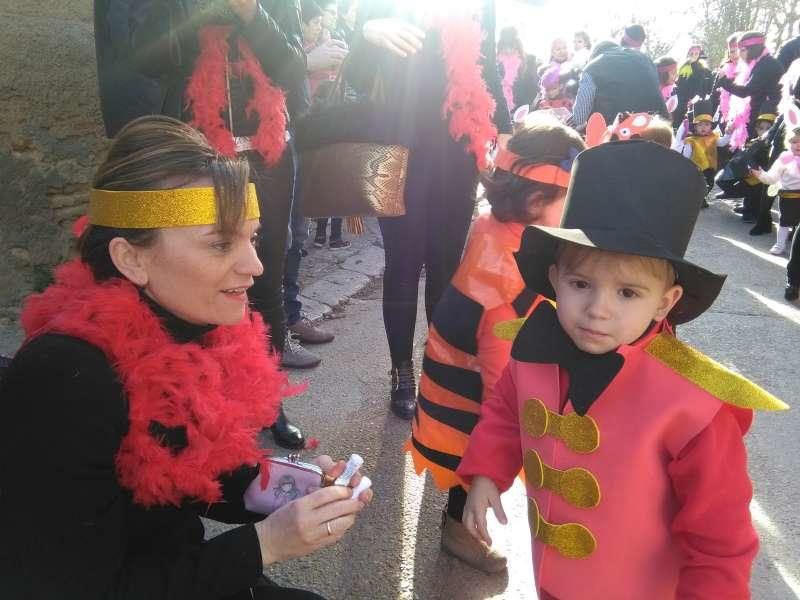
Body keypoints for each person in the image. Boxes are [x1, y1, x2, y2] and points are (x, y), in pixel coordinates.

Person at [0, 116, 373, 599]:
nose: (255, 266)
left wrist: (293, 487)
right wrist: (264, 546)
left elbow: (198, 471)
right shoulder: (66, 381)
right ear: (131, 258)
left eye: (252, 238)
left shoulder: (197, 329)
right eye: (220, 243)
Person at [457, 140, 788, 599]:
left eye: (628, 293)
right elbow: (505, 411)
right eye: (580, 284)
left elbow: (720, 542)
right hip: (551, 580)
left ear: (665, 303)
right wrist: (487, 474)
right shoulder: (535, 346)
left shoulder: (695, 407)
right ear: (554, 278)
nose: (598, 310)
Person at [407, 117, 585, 572]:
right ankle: (462, 533)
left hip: (458, 371)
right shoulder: (509, 281)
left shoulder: (497, 227)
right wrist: (517, 433)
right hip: (473, 398)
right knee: (471, 460)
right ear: (535, 200)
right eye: (572, 197)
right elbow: (502, 379)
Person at [131, 0, 309, 447]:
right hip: (198, 157)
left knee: (263, 278)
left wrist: (251, 11)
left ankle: (269, 402)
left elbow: (292, 69)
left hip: (267, 157)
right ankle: (200, 401)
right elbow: (148, 60)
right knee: (198, 279)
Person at [345, 0, 512, 418]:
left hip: (457, 156)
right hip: (396, 150)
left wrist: (506, 131)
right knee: (402, 265)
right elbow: (358, 78)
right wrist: (365, 36)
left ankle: (439, 367)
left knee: (445, 267)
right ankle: (402, 370)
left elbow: (484, 64)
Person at [570, 40, 668, 131]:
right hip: (658, 125)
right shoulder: (644, 58)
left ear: (592, 56)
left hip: (622, 130)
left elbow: (579, 117)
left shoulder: (591, 68)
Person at [718, 31, 785, 150]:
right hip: (759, 116)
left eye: (742, 50)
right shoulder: (759, 64)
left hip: (766, 120)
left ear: (753, 49)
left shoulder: (767, 65)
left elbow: (745, 91)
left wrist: (724, 81)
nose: (739, 54)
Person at [714, 104, 776, 228]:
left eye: (768, 128)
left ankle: (752, 213)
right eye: (761, 128)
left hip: (761, 179)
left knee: (756, 197)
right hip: (748, 176)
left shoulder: (773, 146)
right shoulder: (754, 142)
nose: (764, 131)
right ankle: (747, 207)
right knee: (745, 192)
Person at [752, 122, 800, 255]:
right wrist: (760, 174)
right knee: (784, 222)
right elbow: (772, 178)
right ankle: (780, 245)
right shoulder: (784, 159)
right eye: (794, 141)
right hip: (788, 197)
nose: (798, 145)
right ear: (788, 142)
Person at [672, 100, 731, 198]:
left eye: (707, 125)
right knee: (696, 186)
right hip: (696, 169)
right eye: (700, 125)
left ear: (711, 126)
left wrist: (729, 133)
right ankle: (696, 199)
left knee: (709, 185)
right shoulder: (691, 140)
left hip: (710, 168)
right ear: (695, 127)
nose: (703, 127)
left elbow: (722, 142)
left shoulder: (713, 137)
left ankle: (702, 198)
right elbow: (686, 154)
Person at [674, 44, 714, 127]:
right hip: (682, 103)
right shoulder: (681, 68)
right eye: (691, 53)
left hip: (697, 104)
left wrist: (694, 99)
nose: (693, 55)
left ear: (699, 54)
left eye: (696, 53)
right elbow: (678, 86)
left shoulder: (704, 70)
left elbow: (704, 88)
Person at [497, 26, 526, 114]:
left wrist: (523, 110)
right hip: (501, 108)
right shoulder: (497, 63)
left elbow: (531, 89)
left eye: (511, 46)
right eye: (505, 46)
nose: (508, 50)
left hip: (522, 109)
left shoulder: (528, 61)